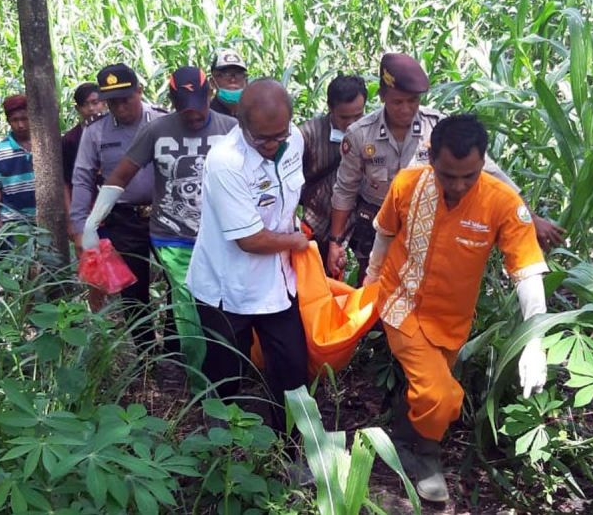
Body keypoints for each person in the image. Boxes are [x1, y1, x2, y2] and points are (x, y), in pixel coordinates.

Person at [364, 116, 549, 502]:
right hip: (401, 302)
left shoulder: (502, 203)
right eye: (449, 175)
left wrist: (535, 341)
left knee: (429, 391)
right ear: (431, 158)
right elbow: (384, 233)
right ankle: (426, 458)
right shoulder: (407, 185)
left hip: (453, 318)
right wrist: (370, 281)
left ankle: (403, 437)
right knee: (442, 396)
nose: (459, 186)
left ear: (483, 162)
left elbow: (527, 272)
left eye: (470, 175)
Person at [326, 53, 564, 280]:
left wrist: (530, 216)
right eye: (398, 102)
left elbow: (490, 172)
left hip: (424, 220)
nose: (406, 109)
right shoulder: (360, 135)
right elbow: (345, 189)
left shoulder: (437, 128)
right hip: (376, 221)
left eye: (413, 101)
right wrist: (336, 242)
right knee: (373, 281)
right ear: (382, 96)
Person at [94, 66, 237, 386]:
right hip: (173, 238)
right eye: (186, 109)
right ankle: (204, 387)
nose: (195, 116)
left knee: (222, 306)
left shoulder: (231, 129)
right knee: (188, 306)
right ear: (172, 101)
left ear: (209, 95)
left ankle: (225, 373)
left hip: (220, 235)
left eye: (200, 108)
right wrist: (92, 221)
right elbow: (120, 176)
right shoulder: (157, 131)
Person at [184, 79, 308, 432]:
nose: (271, 145)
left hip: (278, 282)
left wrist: (292, 233)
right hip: (227, 287)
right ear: (241, 123)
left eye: (278, 136)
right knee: (227, 369)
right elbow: (249, 240)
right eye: (261, 139)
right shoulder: (226, 162)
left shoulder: (293, 139)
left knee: (291, 369)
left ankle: (292, 447)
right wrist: (295, 241)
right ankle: (219, 443)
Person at [72, 64, 167, 352]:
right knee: (133, 291)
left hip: (167, 216)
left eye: (126, 98)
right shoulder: (96, 132)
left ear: (139, 91)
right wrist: (79, 227)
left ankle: (175, 350)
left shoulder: (164, 122)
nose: (120, 107)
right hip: (124, 218)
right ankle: (146, 353)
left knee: (179, 283)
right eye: (112, 101)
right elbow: (82, 178)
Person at [299, 74, 367, 261]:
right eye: (344, 117)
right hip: (317, 224)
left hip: (356, 223)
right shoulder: (309, 134)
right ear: (330, 108)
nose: (352, 123)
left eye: (358, 115)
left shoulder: (371, 132)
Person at [0, 95, 36, 234]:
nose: (20, 125)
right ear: (8, 121)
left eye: (24, 119)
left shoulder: (44, 146)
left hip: (43, 217)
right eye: (15, 120)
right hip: (13, 220)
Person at [61, 82, 105, 216]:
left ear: (104, 102)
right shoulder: (71, 139)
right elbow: (66, 183)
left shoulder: (116, 132)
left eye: (95, 102)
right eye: (85, 105)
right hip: (88, 210)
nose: (91, 109)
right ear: (77, 109)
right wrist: (71, 217)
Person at [208, 49, 248, 118]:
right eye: (225, 74)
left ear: (246, 82)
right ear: (212, 82)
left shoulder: (254, 114)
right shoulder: (206, 116)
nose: (232, 80)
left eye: (238, 74)